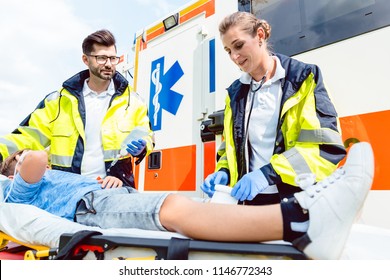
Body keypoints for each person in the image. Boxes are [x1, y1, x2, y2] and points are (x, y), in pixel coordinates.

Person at [0, 141, 374, 260]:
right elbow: (32, 168)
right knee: (172, 210)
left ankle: (307, 212)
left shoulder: (49, 179)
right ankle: (301, 223)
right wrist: (25, 157)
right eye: (12, 162)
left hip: (100, 196)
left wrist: (104, 179)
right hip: (86, 208)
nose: (22, 161)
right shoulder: (15, 186)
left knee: (178, 206)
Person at [201, 12, 346, 205]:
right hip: (249, 202)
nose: (234, 57)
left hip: (295, 201)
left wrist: (267, 175)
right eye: (228, 51)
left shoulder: (303, 79)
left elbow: (324, 148)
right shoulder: (235, 94)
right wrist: (223, 171)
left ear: (260, 35)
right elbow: (230, 148)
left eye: (238, 45)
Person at [0, 29, 154, 189]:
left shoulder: (133, 101)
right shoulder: (58, 101)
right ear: (86, 60)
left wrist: (144, 145)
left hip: (114, 188)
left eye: (113, 58)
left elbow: (147, 133)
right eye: (101, 58)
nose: (109, 64)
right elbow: (28, 136)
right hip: (66, 190)